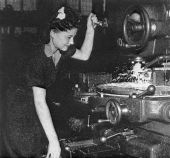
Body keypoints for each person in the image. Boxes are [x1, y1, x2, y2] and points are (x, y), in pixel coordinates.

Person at [4, 5, 98, 158]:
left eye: (74, 36)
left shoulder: (61, 48)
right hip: (19, 108)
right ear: (53, 33)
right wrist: (54, 141)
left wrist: (90, 28)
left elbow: (85, 55)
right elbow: (40, 102)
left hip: (36, 104)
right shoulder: (38, 59)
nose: (72, 41)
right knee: (29, 150)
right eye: (69, 37)